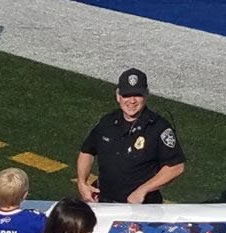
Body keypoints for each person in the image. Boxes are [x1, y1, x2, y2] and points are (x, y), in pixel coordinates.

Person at [77, 69, 186, 205]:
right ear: (118, 96)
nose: (132, 101)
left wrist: (143, 190)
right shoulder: (107, 122)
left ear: (146, 95)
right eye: (126, 95)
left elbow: (175, 167)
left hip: (142, 208)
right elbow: (87, 151)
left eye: (137, 95)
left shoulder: (158, 127)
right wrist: (82, 182)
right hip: (104, 203)